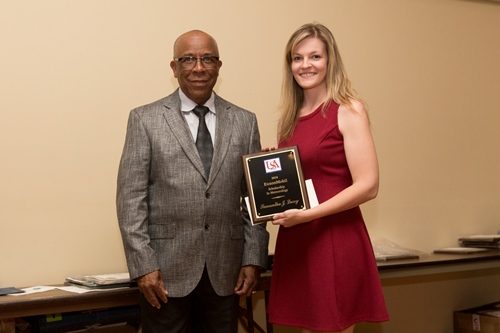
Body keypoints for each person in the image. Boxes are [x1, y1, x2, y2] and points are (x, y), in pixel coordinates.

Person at [116, 30, 269, 333]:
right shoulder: (145, 119)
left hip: (226, 274)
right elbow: (130, 201)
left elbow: (253, 198)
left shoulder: (244, 121)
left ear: (219, 65)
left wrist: (253, 258)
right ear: (174, 68)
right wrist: (144, 267)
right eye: (188, 59)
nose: (198, 67)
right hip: (164, 276)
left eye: (207, 59)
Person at [266, 23, 389, 333]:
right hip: (299, 240)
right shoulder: (288, 119)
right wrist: (270, 166)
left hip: (334, 238)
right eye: (297, 58)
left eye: (315, 56)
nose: (305, 65)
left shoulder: (348, 109)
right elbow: (301, 178)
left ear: (330, 60)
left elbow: (368, 185)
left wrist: (308, 215)